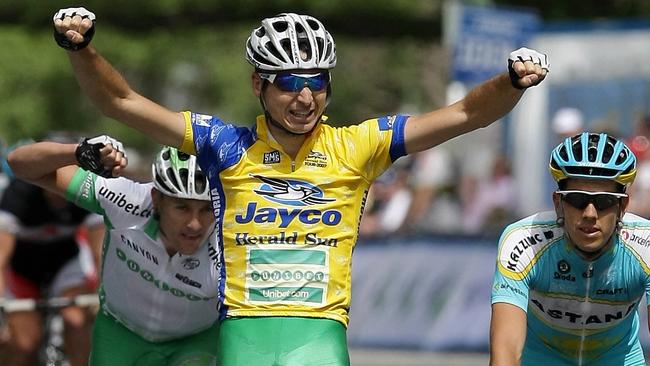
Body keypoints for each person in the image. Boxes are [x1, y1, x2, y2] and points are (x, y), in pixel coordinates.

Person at [52, 7, 549, 365]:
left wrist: (509, 82)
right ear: (258, 86)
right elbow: (121, 102)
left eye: (316, 80)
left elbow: (464, 113)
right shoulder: (223, 145)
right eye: (288, 82)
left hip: (319, 333)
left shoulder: (358, 146)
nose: (305, 96)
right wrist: (83, 49)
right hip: (242, 330)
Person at [6, 136, 222, 365]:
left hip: (195, 341)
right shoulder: (126, 200)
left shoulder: (228, 236)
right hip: (120, 332)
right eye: (182, 207)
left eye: (207, 209)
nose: (194, 224)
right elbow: (19, 164)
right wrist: (77, 152)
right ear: (156, 199)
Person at [490, 132, 649, 366]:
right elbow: (505, 352)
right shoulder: (523, 241)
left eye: (604, 201)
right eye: (577, 199)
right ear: (558, 203)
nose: (590, 214)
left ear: (622, 206)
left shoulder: (644, 245)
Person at [0, 141, 104, 366]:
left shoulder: (85, 191)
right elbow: (0, 259)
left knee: (76, 323)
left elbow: (101, 253)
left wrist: (104, 295)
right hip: (22, 271)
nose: (62, 185)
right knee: (24, 345)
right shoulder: (18, 196)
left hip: (65, 265)